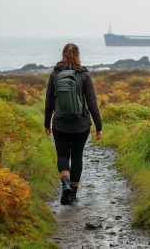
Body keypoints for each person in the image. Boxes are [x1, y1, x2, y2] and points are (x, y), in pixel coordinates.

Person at [44, 43, 102, 205]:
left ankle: (65, 183)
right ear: (78, 55)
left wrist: (47, 123)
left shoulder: (55, 74)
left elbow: (49, 102)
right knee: (76, 157)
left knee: (63, 155)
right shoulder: (84, 75)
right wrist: (99, 126)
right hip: (81, 124)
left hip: (60, 124)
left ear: (63, 54)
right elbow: (92, 103)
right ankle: (73, 195)